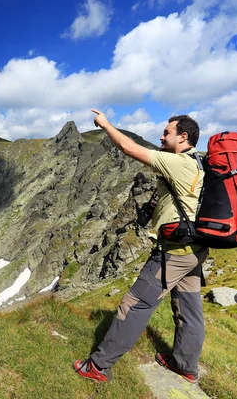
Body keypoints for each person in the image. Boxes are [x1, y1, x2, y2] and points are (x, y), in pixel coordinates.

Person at [73, 109, 208, 384]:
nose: (161, 136)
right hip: (195, 250)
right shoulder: (200, 164)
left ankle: (99, 366)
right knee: (189, 308)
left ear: (183, 137)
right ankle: (185, 366)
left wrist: (106, 124)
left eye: (166, 133)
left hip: (174, 252)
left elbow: (128, 147)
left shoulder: (179, 163)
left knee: (134, 305)